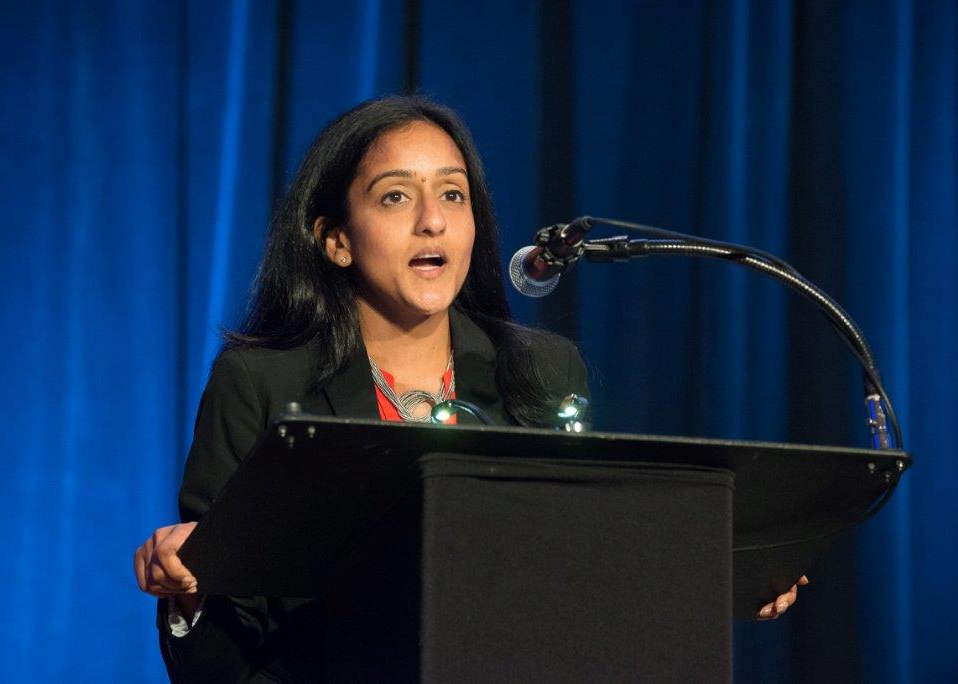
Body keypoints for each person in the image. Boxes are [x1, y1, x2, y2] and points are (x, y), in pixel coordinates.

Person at [134, 96, 804, 681]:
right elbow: (222, 649)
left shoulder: (541, 371)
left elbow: (583, 577)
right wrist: (190, 595)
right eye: (396, 196)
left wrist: (721, 577)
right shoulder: (262, 381)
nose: (433, 221)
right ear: (335, 240)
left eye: (453, 194)